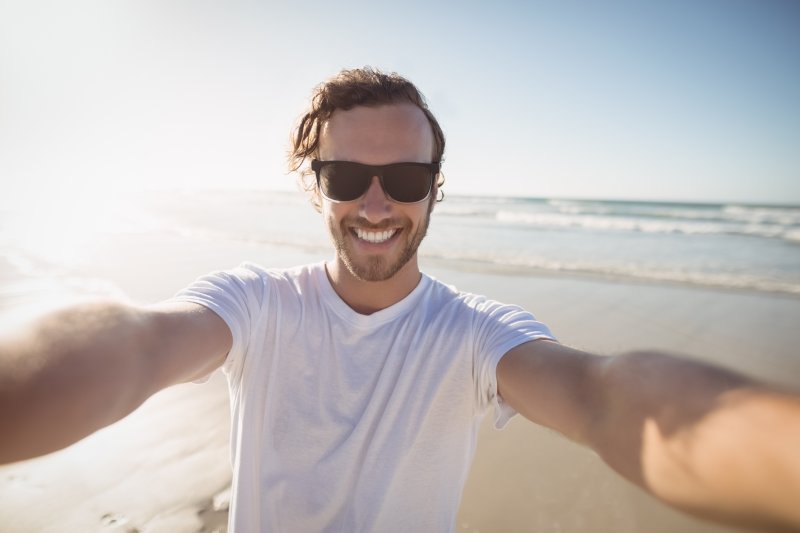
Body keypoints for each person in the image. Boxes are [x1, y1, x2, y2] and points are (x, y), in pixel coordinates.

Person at [1, 67, 799, 533]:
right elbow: (136, 344)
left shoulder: (476, 333)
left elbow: (602, 397)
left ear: (436, 190)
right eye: (347, 178)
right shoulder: (255, 303)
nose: (377, 203)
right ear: (315, 189)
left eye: (407, 179)